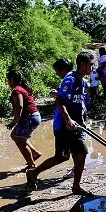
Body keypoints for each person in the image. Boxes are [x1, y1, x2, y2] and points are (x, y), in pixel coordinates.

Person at [27, 53, 93, 194]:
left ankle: (76, 187)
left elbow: (77, 104)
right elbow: (60, 102)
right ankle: (34, 173)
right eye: (91, 64)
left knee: (80, 154)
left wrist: (82, 121)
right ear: (82, 64)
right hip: (64, 126)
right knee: (61, 157)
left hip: (76, 126)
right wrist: (68, 120)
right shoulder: (70, 80)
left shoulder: (81, 82)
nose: (92, 67)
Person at [6, 68, 42, 169]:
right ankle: (35, 153)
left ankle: (31, 166)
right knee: (14, 135)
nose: (7, 82)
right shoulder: (24, 88)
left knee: (21, 141)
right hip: (34, 115)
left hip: (28, 117)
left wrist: (14, 122)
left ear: (12, 79)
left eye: (8, 80)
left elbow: (20, 106)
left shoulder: (17, 90)